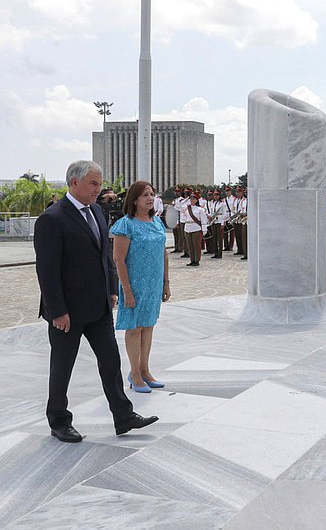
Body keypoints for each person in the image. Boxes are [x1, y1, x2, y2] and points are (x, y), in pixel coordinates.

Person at [33, 160, 158, 443]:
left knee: (111, 362)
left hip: (98, 306)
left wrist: (111, 289)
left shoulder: (98, 212)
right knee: (62, 367)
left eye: (100, 184)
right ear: (74, 182)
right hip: (67, 312)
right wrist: (58, 311)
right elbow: (47, 271)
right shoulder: (52, 219)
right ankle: (59, 420)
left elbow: (105, 255)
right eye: (93, 184)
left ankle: (123, 415)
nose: (98, 189)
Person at [111, 180, 170, 393]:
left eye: (152, 194)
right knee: (135, 328)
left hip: (154, 284)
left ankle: (145, 370)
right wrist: (126, 290)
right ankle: (134, 373)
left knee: (148, 326)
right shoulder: (125, 225)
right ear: (134, 199)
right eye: (145, 194)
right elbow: (119, 259)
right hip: (134, 284)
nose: (150, 198)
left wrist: (166, 282)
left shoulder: (157, 223)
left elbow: (163, 254)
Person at [183, 193, 207, 266]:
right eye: (191, 199)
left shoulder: (200, 209)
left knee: (196, 245)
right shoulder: (187, 208)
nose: (192, 200)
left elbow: (203, 220)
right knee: (190, 245)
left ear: (197, 200)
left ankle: (197, 260)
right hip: (187, 228)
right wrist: (185, 200)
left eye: (194, 199)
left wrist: (204, 229)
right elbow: (178, 207)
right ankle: (192, 260)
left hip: (196, 228)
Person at [209, 191, 227, 259]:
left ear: (219, 196)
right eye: (214, 195)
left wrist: (223, 223)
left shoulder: (222, 204)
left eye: (217, 195)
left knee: (219, 238)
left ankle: (220, 253)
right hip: (214, 221)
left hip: (219, 221)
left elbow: (224, 214)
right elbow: (211, 212)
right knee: (214, 238)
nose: (215, 197)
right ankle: (215, 252)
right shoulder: (212, 203)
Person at [234, 186, 248, 260]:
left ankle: (245, 252)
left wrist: (243, 214)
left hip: (246, 220)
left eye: (239, 192)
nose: (238, 193)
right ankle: (242, 251)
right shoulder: (236, 200)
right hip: (240, 220)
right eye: (237, 192)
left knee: (245, 237)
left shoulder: (245, 200)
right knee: (240, 237)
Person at [223, 185, 237, 252]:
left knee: (231, 232)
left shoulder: (234, 199)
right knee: (225, 232)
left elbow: (234, 208)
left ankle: (231, 246)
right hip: (225, 216)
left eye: (228, 191)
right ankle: (226, 246)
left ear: (231, 191)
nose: (227, 192)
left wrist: (232, 216)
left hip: (231, 215)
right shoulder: (224, 200)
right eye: (226, 191)